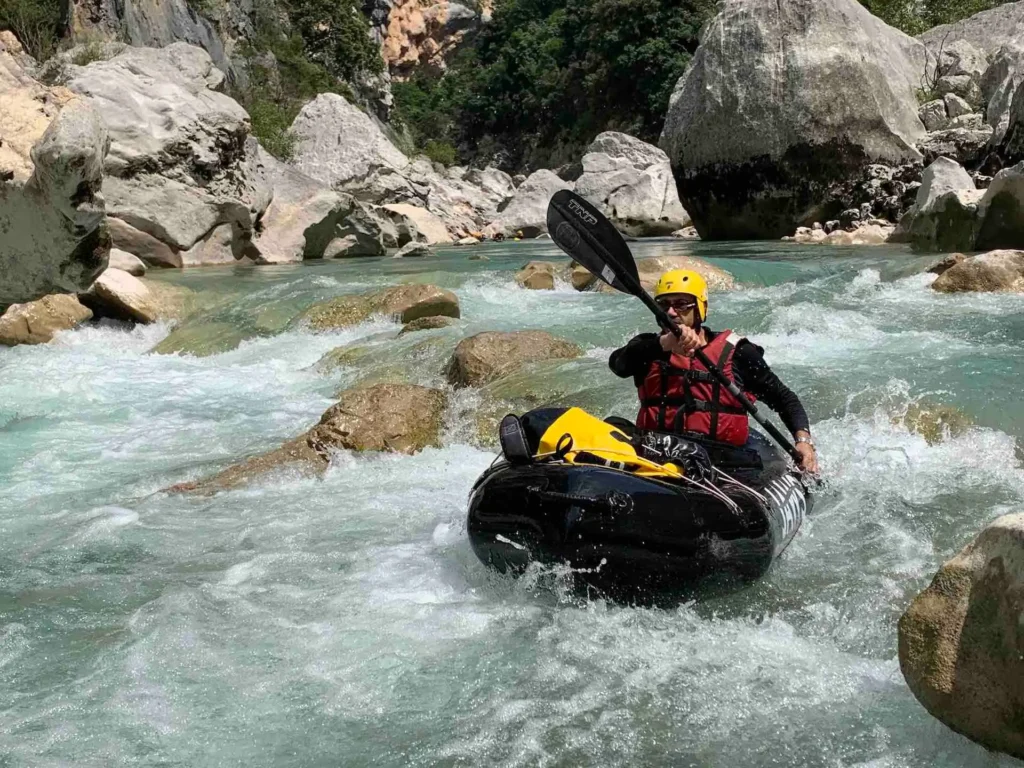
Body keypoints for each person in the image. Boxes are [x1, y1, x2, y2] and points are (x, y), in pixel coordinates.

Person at [608, 269, 818, 473]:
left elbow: (784, 398)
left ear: (700, 308)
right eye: (663, 305)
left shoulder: (738, 352)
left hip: (722, 463)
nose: (671, 312)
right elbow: (618, 364)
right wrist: (665, 343)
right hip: (657, 455)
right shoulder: (648, 347)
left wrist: (803, 441)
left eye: (681, 304)